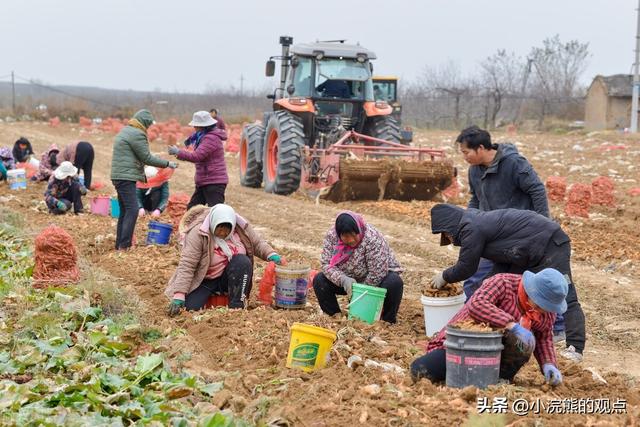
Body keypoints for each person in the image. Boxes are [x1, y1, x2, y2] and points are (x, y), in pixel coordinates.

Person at [429, 203, 586, 362]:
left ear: (450, 227)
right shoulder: (472, 222)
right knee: (488, 288)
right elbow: (501, 258)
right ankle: (483, 333)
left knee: (566, 296)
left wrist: (444, 276)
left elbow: (466, 267)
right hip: (520, 252)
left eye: (447, 235)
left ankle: (575, 347)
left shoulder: (470, 227)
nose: (449, 239)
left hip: (549, 244)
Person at [411, 269, 568, 387]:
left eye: (547, 307)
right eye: (541, 305)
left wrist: (549, 364)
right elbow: (477, 304)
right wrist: (511, 325)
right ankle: (462, 375)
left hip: (496, 358)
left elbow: (544, 337)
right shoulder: (503, 283)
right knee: (420, 371)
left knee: (524, 341)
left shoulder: (546, 312)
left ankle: (500, 378)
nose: (543, 310)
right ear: (531, 292)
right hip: (463, 344)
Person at [455, 126, 550, 299]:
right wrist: (466, 222)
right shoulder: (474, 171)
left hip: (519, 235)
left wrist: (544, 225)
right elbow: (476, 199)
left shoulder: (513, 163)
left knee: (519, 283)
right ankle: (467, 320)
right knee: (474, 278)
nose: (464, 157)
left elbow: (537, 190)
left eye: (466, 152)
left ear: (481, 148)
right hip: (490, 234)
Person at [165, 204, 284, 314]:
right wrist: (179, 295)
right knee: (189, 308)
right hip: (205, 279)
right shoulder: (199, 233)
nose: (223, 232)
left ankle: (237, 306)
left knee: (242, 262)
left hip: (229, 277)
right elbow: (188, 265)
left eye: (227, 229)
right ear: (213, 223)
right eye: (219, 228)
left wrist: (271, 254)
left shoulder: (240, 228)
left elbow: (257, 244)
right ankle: (207, 294)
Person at [313, 211, 403, 323]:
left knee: (394, 282)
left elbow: (377, 272)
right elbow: (326, 264)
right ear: (339, 234)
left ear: (359, 230)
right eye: (346, 236)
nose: (351, 240)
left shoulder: (372, 238)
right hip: (349, 281)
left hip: (374, 281)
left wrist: (360, 293)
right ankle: (334, 317)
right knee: (319, 280)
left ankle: (387, 320)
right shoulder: (332, 236)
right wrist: (343, 280)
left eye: (354, 235)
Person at [111, 109, 178, 250]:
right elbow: (146, 158)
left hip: (118, 175)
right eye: (148, 126)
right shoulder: (138, 134)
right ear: (145, 124)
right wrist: (167, 164)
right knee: (133, 209)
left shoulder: (126, 130)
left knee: (125, 210)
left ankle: (120, 245)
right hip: (126, 176)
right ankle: (125, 245)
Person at [168, 111, 228, 209]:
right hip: (205, 181)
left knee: (216, 212)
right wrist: (179, 153)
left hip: (214, 182)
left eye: (196, 125)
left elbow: (197, 156)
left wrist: (178, 152)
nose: (194, 127)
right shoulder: (203, 137)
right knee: (192, 210)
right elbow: (197, 154)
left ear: (204, 126)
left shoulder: (211, 139)